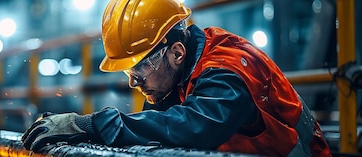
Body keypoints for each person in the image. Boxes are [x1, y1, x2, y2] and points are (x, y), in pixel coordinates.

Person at [21, 0, 332, 156]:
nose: (133, 81)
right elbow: (155, 128)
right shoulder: (182, 69)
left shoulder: (228, 69)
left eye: (139, 69)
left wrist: (90, 125)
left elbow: (191, 128)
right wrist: (81, 132)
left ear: (177, 52)